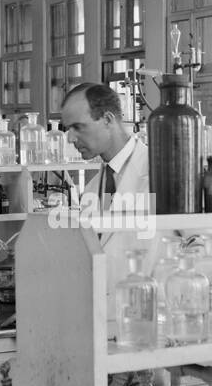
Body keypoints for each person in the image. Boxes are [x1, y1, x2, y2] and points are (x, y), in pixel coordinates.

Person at [60, 82, 152, 288]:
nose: (70, 138)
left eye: (78, 127)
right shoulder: (93, 189)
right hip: (108, 312)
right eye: (68, 129)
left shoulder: (158, 173)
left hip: (157, 309)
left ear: (108, 120)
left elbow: (210, 247)